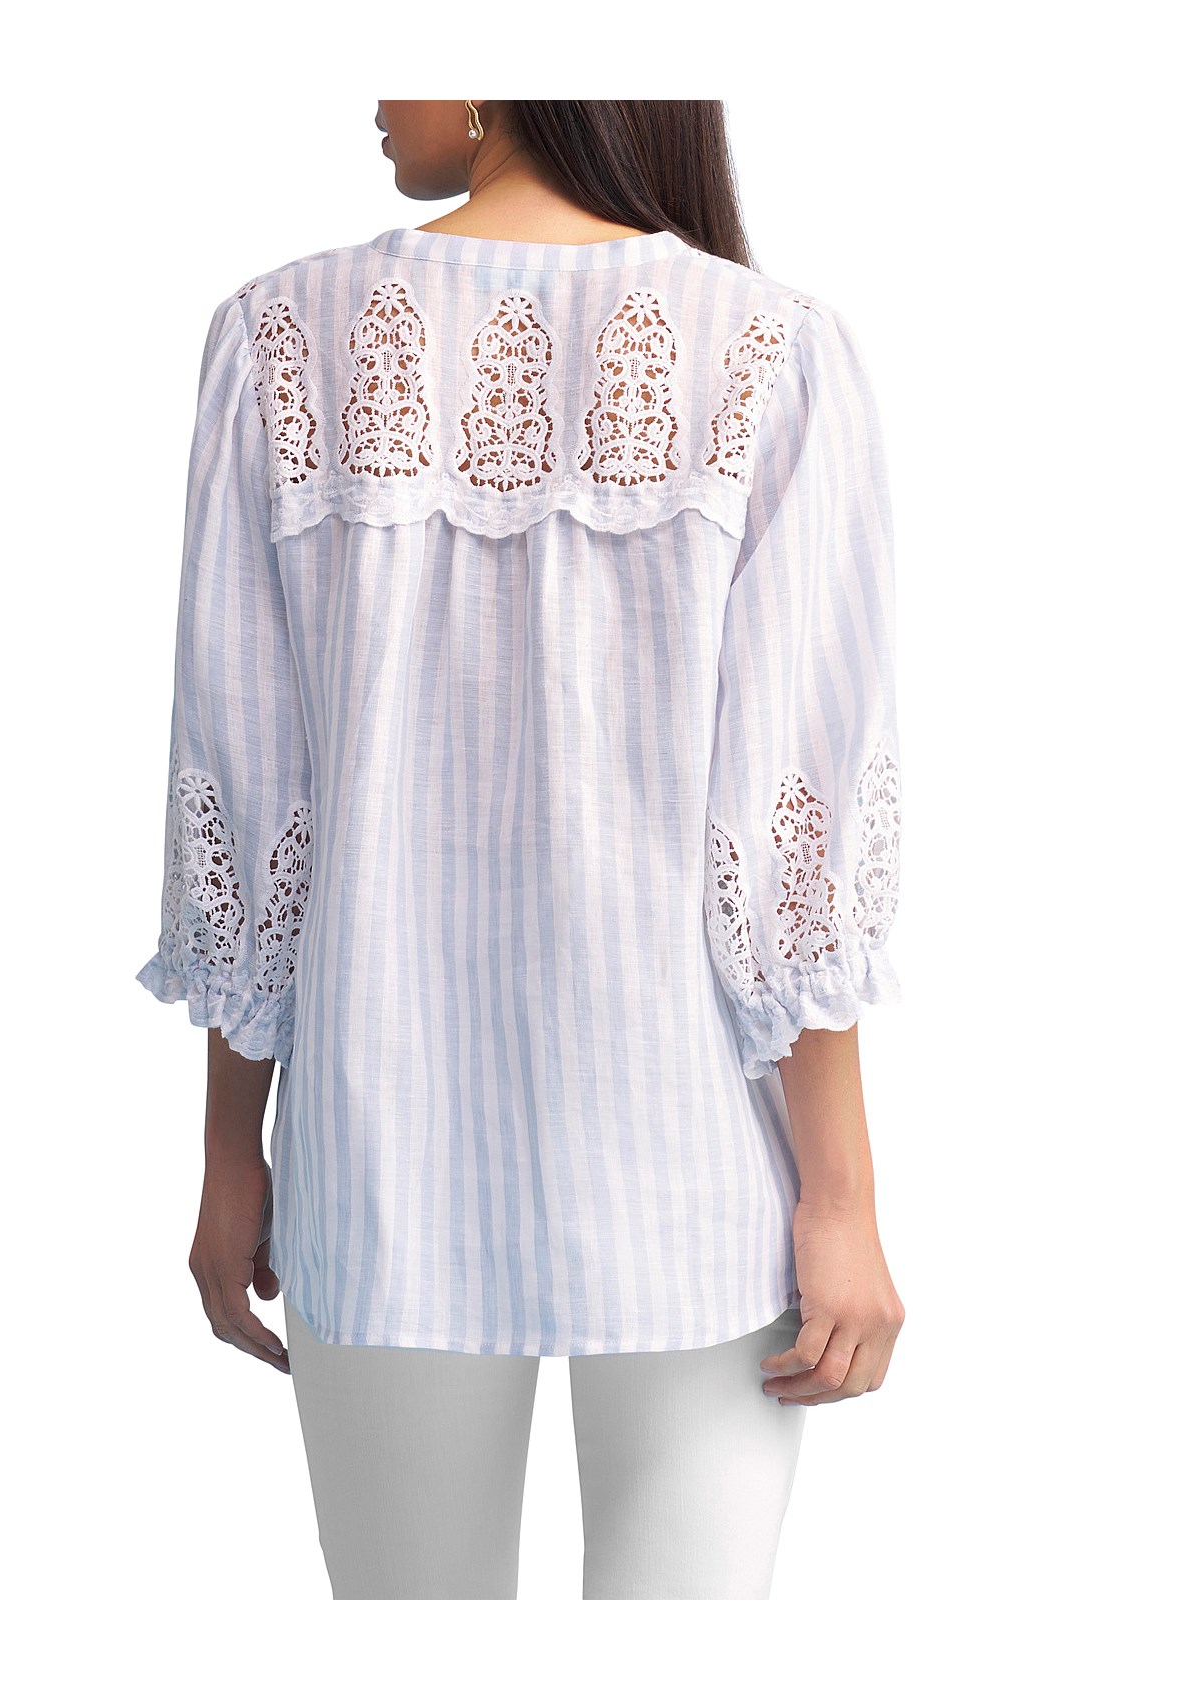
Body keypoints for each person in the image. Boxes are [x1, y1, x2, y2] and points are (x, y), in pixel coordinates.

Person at [135, 98, 907, 1601]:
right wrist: (842, 1198)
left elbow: (244, 793)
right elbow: (794, 828)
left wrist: (235, 1149)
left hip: (379, 1150)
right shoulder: (770, 348)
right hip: (689, 1161)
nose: (374, 91)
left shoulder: (280, 339)